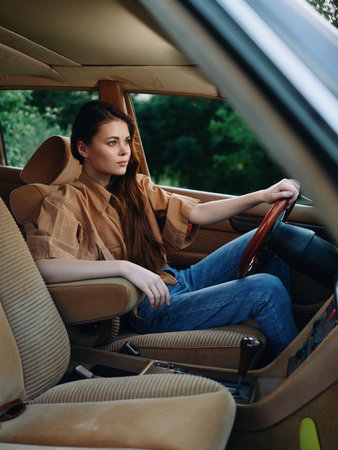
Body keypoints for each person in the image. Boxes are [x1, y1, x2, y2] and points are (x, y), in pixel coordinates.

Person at [27, 100, 299, 357]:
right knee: (266, 289)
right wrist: (124, 267)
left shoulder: (137, 186)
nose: (124, 151)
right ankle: (294, 376)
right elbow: (46, 267)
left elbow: (198, 213)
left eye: (125, 141)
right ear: (84, 148)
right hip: (147, 308)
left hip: (175, 279)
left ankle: (283, 344)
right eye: (112, 143)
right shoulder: (63, 203)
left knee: (275, 239)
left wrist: (263, 195)